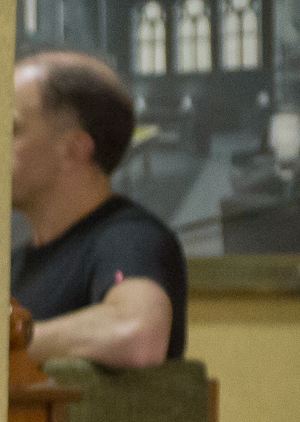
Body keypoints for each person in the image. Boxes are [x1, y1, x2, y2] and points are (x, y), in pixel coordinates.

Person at [10, 51, 186, 369]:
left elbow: (137, 334)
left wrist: (4, 343)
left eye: (12, 128)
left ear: (72, 150)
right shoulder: (12, 264)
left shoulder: (130, 238)